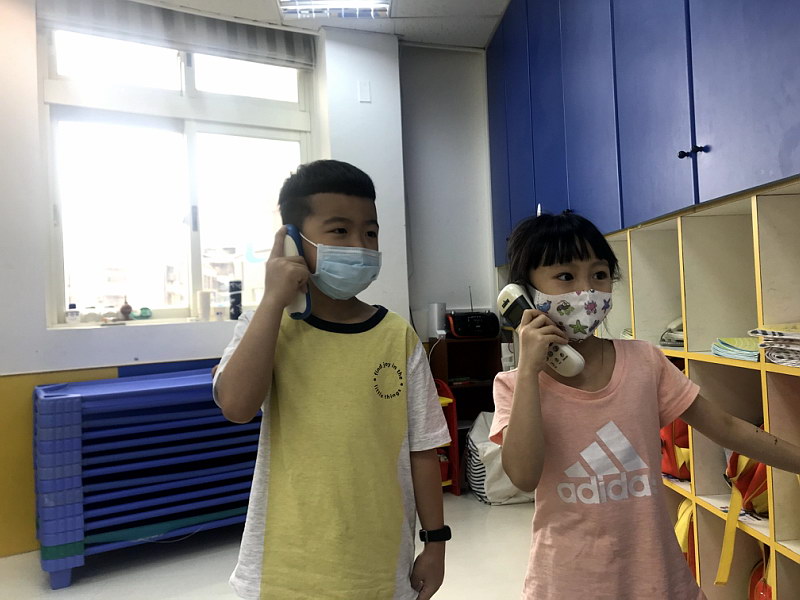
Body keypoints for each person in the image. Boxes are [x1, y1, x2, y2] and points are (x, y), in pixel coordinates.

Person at [490, 210, 800, 599]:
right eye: (565, 276)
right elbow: (523, 476)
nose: (587, 291)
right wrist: (529, 372)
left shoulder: (644, 361)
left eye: (599, 274)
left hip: (658, 578)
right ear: (524, 294)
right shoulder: (514, 386)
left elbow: (725, 427)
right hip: (568, 583)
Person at [213, 160, 450, 600]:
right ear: (291, 241)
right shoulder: (267, 326)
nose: (360, 245)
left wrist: (435, 543)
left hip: (379, 569)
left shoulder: (396, 335)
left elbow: (422, 450)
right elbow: (236, 406)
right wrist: (273, 300)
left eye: (371, 233)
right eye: (340, 231)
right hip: (285, 571)